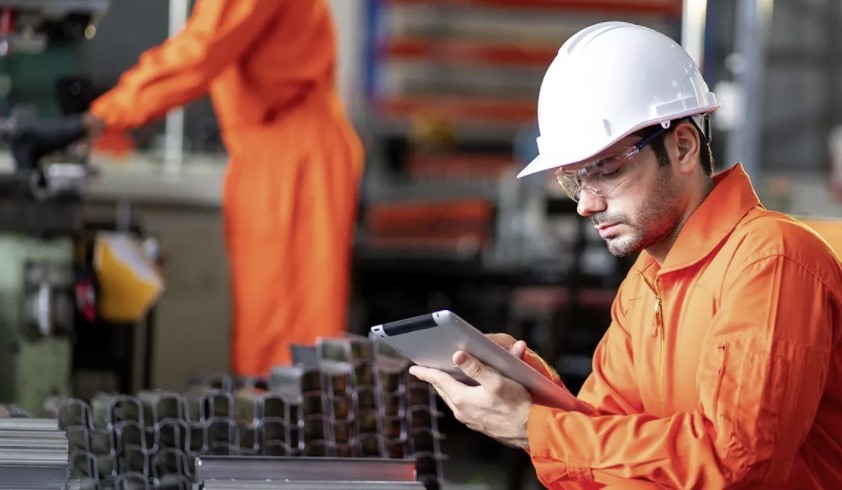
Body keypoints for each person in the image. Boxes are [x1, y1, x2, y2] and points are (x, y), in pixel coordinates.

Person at [410, 22, 842, 489]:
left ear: (682, 147)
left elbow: (735, 465)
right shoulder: (646, 281)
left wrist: (533, 427)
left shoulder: (770, 262)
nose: (585, 203)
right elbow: (608, 443)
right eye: (574, 179)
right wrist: (534, 396)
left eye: (607, 169)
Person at [79, 0, 363, 375]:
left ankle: (283, 431)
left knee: (286, 341)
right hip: (274, 152)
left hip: (293, 160)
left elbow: (200, 52)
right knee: (266, 327)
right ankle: (271, 426)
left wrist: (99, 117)